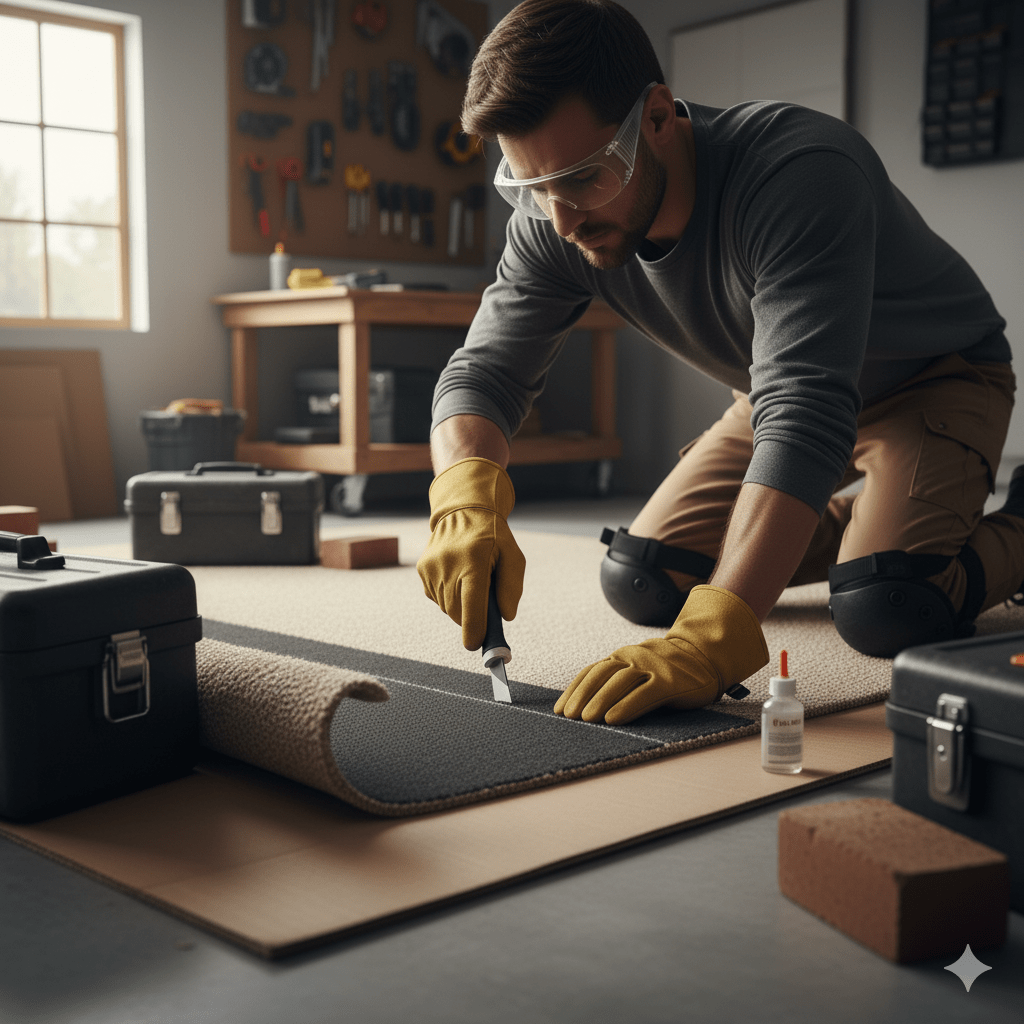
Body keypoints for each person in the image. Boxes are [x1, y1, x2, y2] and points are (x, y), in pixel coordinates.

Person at [416, 0, 1024, 726]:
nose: (561, 219)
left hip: (934, 378)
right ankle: (867, 530)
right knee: (645, 578)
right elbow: (483, 374)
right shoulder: (554, 217)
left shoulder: (801, 172)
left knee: (888, 604)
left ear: (657, 117)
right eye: (529, 187)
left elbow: (806, 414)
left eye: (582, 177)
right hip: (777, 397)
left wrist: (710, 641)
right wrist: (463, 495)